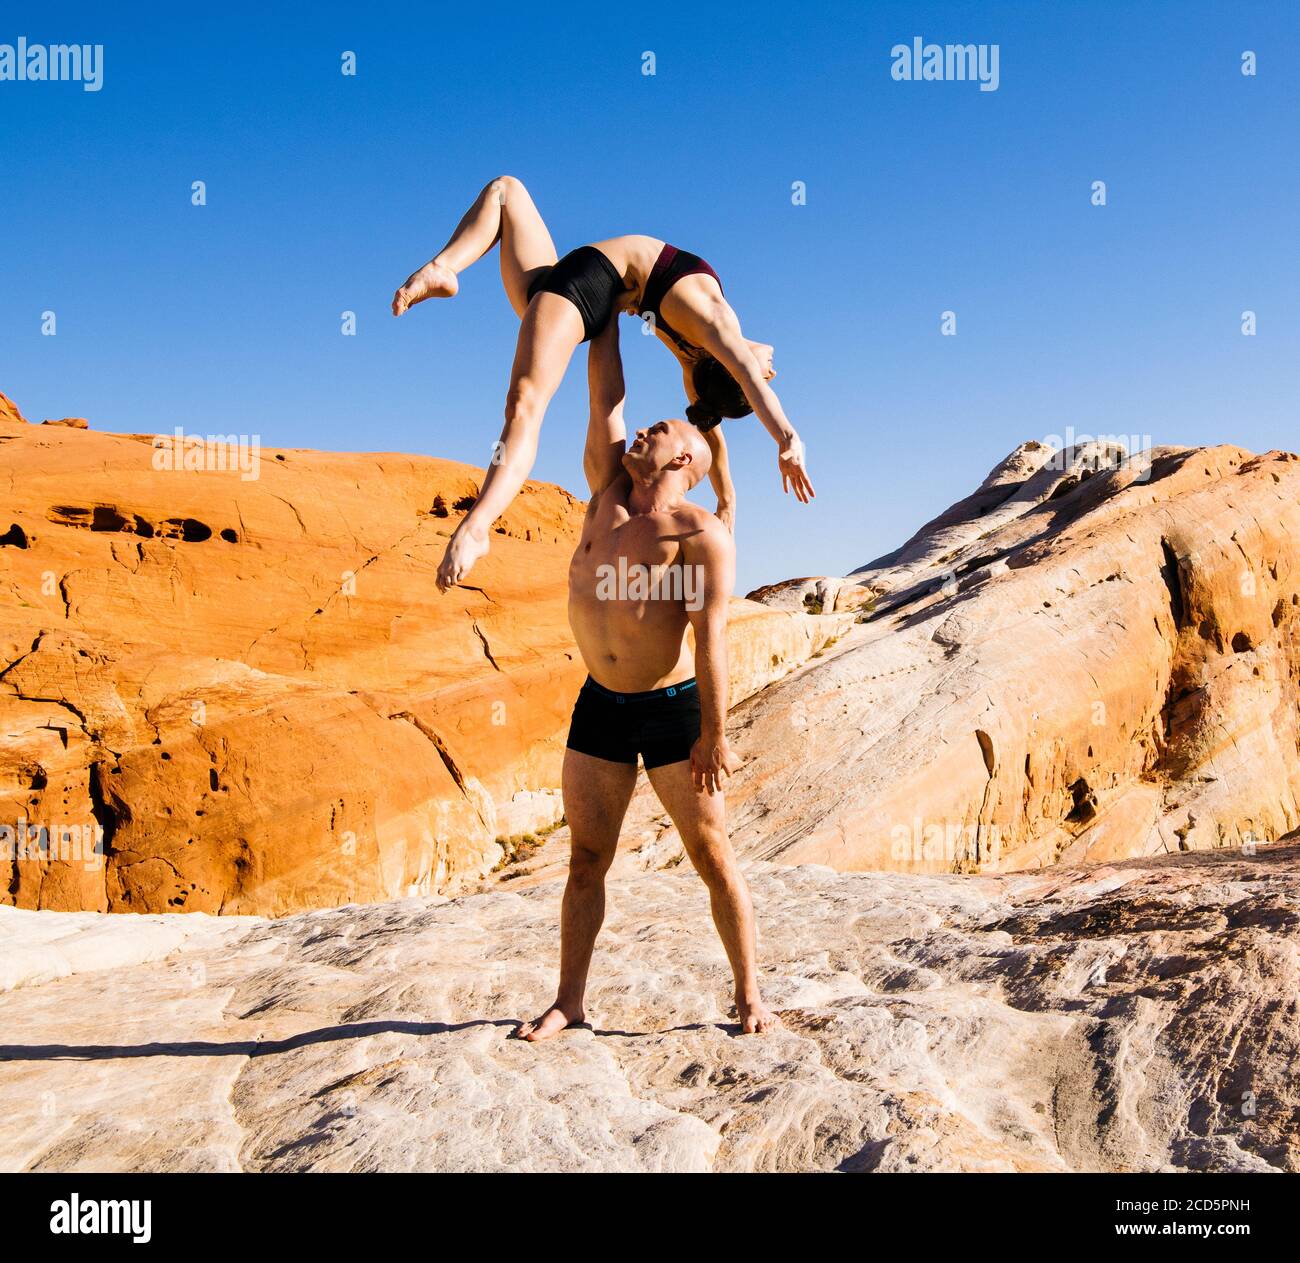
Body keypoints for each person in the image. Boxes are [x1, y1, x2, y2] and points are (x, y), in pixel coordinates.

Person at [510, 316, 782, 1041]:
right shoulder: (605, 492)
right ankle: (570, 1000)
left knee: (711, 851)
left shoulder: (699, 534)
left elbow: (709, 638)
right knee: (586, 857)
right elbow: (605, 398)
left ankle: (750, 994)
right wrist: (603, 318)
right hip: (598, 705)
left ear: (686, 453)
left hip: (672, 710)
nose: (641, 433)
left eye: (657, 429)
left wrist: (714, 735)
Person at [391, 175, 815, 589]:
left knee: (525, 406)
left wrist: (787, 438)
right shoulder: (695, 368)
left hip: (582, 285)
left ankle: (478, 526)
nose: (772, 366)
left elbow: (745, 378)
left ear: (735, 367)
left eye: (767, 373)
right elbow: (713, 443)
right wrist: (728, 502)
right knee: (506, 192)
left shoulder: (715, 322)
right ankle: (446, 266)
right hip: (567, 292)